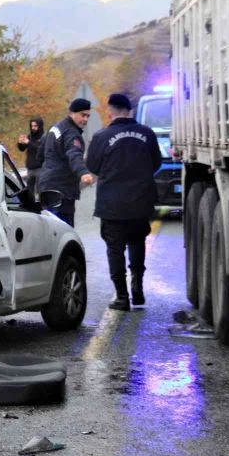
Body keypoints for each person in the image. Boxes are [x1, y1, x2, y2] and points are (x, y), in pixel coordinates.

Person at [86, 93, 162, 311]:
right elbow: (156, 162)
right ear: (129, 111)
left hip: (112, 204)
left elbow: (93, 166)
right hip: (140, 200)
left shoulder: (101, 137)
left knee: (115, 249)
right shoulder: (147, 134)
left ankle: (121, 296)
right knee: (137, 242)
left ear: (109, 112)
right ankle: (137, 287)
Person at [37, 98, 96, 226]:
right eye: (82, 115)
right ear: (72, 113)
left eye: (88, 116)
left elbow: (40, 154)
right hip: (62, 192)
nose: (85, 119)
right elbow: (74, 154)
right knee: (64, 231)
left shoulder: (55, 128)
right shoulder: (72, 134)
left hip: (46, 187)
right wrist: (83, 172)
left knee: (49, 229)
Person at [17, 117, 44, 198]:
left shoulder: (44, 137)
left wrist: (29, 143)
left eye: (35, 126)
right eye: (32, 126)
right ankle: (31, 205)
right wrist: (20, 143)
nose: (33, 128)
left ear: (40, 126)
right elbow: (22, 149)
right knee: (29, 193)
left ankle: (42, 204)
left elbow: (41, 149)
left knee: (41, 192)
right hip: (30, 169)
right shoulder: (30, 136)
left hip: (40, 169)